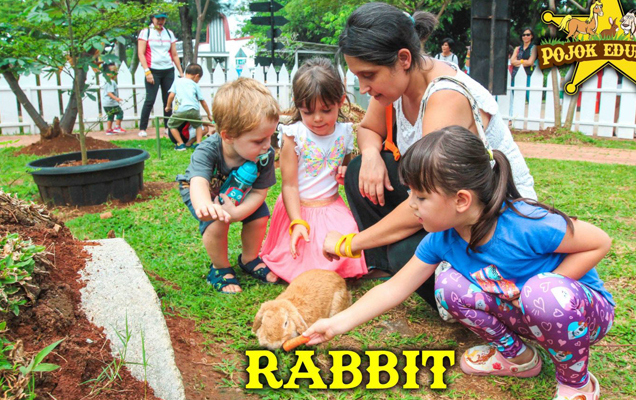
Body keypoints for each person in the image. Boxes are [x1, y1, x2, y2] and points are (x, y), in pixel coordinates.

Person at [306, 126, 615, 400]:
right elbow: (393, 289)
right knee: (448, 285)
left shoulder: (525, 223)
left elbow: (599, 241)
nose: (411, 205)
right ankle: (519, 358)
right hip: (523, 310)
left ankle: (577, 384)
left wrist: (538, 290)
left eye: (421, 197)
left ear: (461, 200)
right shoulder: (442, 239)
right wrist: (334, 325)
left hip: (581, 316)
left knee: (542, 293)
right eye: (410, 193)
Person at [325, 3, 536, 308]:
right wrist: (370, 155)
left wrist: (350, 243)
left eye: (369, 75)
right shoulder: (396, 85)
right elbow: (368, 128)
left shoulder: (446, 97)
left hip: (490, 219)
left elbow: (429, 197)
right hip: (447, 203)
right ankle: (384, 264)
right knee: (360, 169)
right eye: (359, 76)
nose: (364, 87)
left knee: (406, 255)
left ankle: (483, 301)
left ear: (403, 59)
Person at [260, 58, 367, 283]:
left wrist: (345, 173)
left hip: (332, 206)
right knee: (306, 250)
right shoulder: (294, 135)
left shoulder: (345, 132)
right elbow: (289, 185)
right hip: (298, 207)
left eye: (326, 110)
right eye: (308, 112)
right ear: (298, 107)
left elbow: (344, 168)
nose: (317, 118)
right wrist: (297, 221)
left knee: (345, 240)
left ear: (340, 101)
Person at [176, 78, 280, 293]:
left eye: (270, 137)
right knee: (217, 220)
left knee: (259, 216)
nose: (267, 146)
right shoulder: (207, 150)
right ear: (228, 136)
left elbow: (259, 192)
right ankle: (220, 267)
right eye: (259, 140)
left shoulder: (265, 155)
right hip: (205, 193)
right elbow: (198, 182)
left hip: (243, 192)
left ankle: (249, 258)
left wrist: (238, 212)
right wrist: (205, 206)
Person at [137, 12, 184, 138]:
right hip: (153, 70)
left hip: (168, 69)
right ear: (152, 19)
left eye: (163, 19)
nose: (160, 21)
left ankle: (168, 127)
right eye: (158, 19)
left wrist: (180, 71)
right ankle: (142, 128)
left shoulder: (169, 33)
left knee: (168, 99)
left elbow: (174, 54)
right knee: (150, 99)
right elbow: (141, 53)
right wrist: (147, 71)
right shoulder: (146, 32)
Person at [165, 63, 212, 151]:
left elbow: (171, 96)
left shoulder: (177, 81)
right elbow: (202, 101)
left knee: (171, 125)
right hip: (194, 109)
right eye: (199, 79)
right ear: (196, 76)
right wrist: (209, 114)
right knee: (198, 125)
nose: (198, 81)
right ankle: (198, 143)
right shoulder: (195, 85)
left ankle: (181, 144)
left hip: (181, 109)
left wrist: (168, 106)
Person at [101, 63, 126, 135]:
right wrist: (116, 98)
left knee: (110, 116)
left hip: (105, 104)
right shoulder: (111, 82)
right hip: (111, 103)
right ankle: (117, 127)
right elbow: (109, 93)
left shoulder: (106, 81)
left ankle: (109, 130)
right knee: (120, 113)